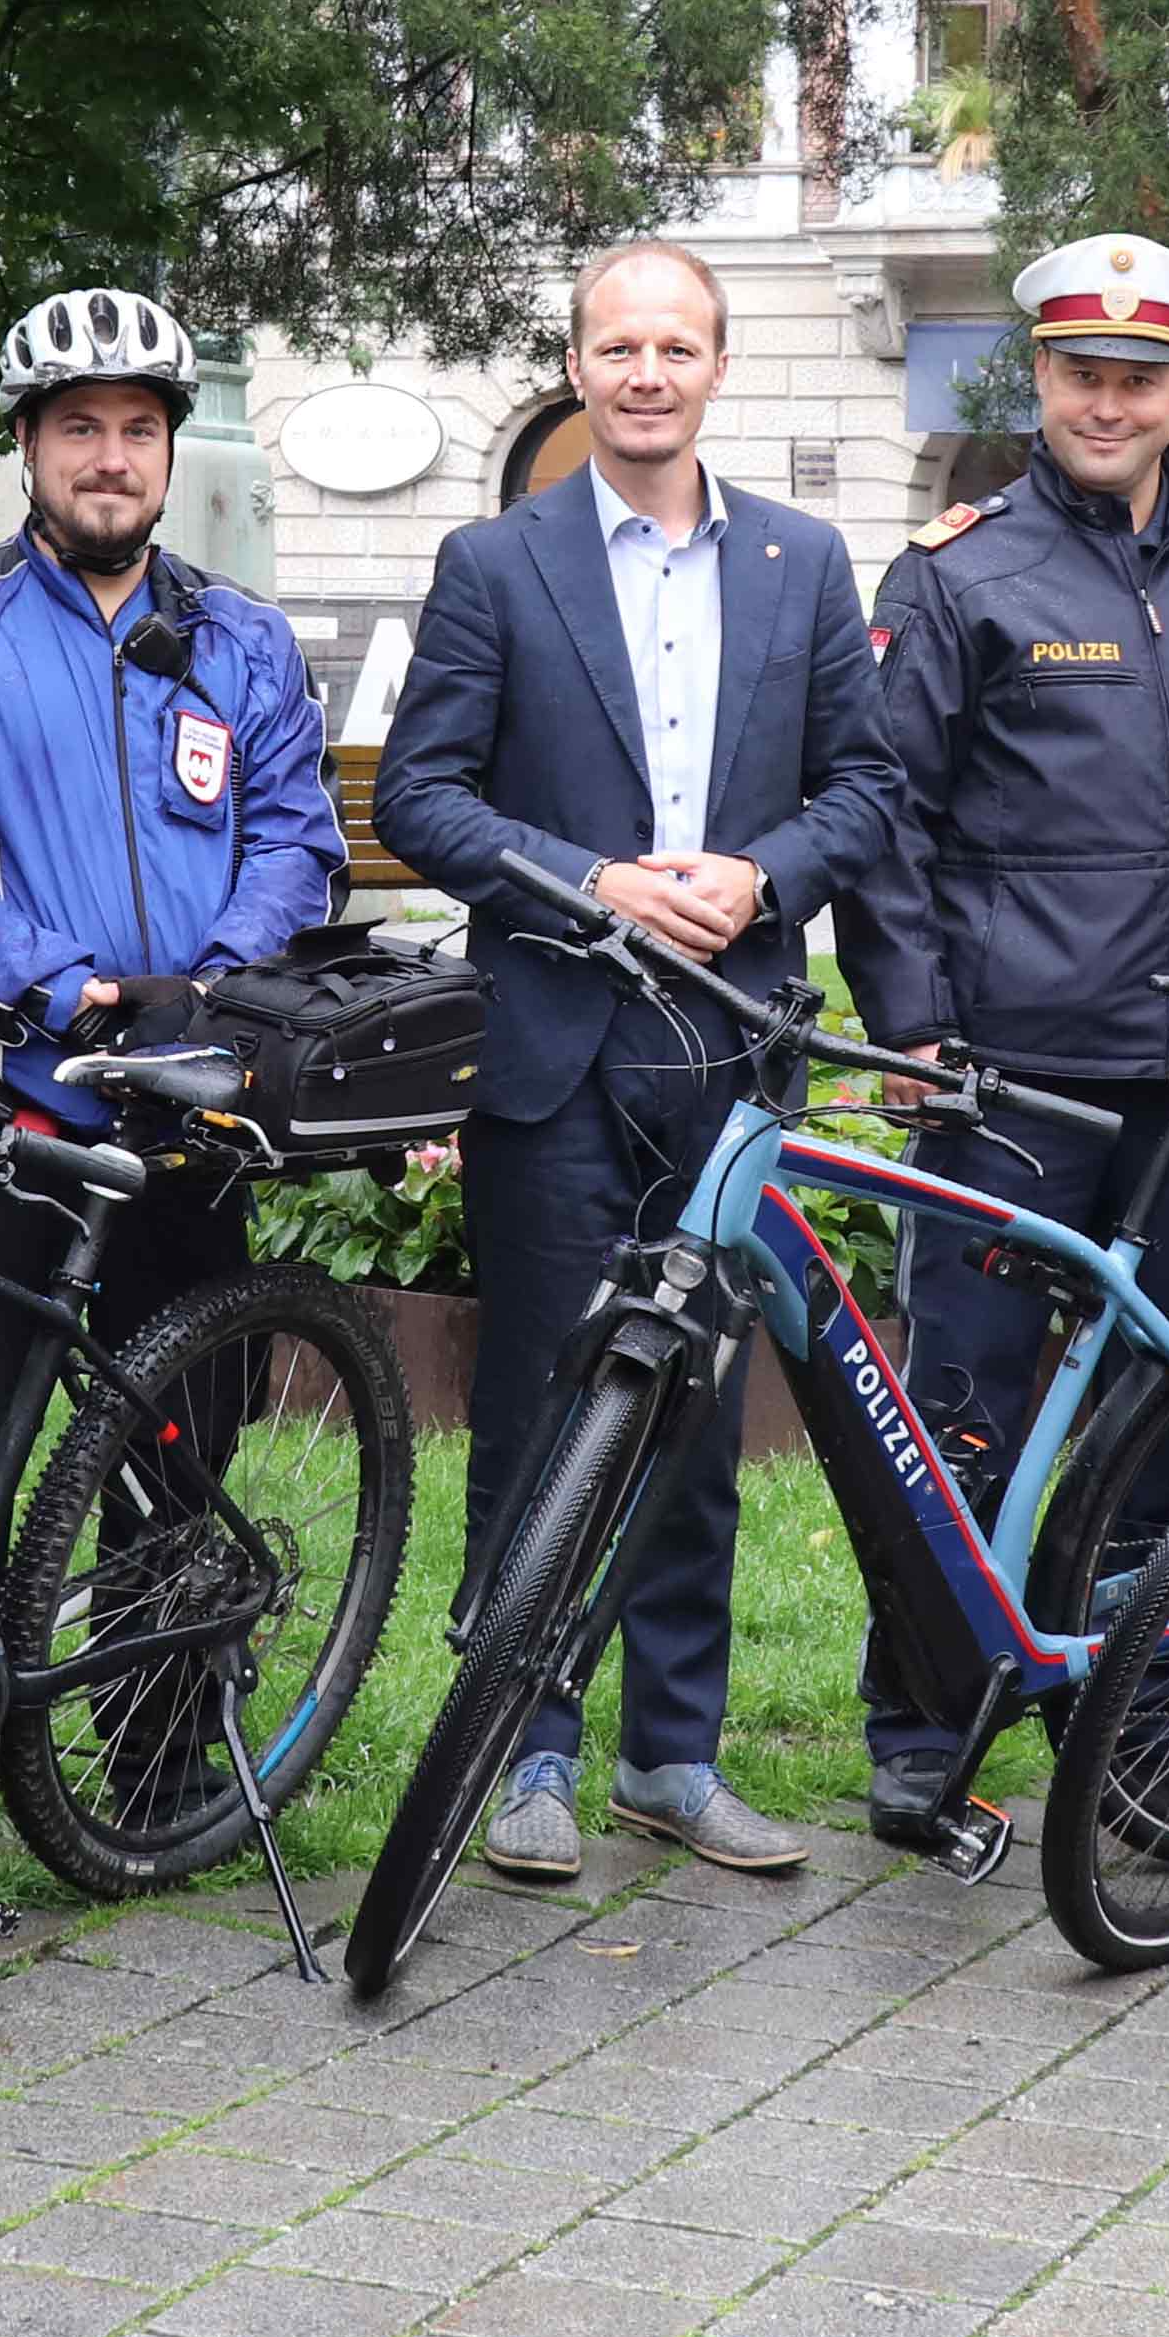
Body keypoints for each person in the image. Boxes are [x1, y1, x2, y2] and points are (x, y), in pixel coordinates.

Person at [834, 235, 1169, 1855]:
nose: (1105, 399)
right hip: (1008, 1078)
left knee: (1166, 1417)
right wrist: (916, 1025)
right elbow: (888, 824)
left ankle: (1146, 1732)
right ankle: (926, 1732)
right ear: (1041, 380)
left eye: (1138, 377)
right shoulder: (956, 575)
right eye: (1079, 371)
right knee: (964, 1412)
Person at [376, 239, 895, 1886]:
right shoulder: (494, 562)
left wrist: (764, 874)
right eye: (618, 347)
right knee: (537, 1405)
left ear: (716, 367)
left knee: (699, 1408)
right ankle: (524, 1747)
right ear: (580, 369)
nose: (647, 372)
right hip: (553, 1048)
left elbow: (866, 791)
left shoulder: (807, 563)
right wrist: (588, 877)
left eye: (676, 345)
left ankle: (674, 1752)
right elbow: (421, 799)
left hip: (730, 1054)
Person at [0, 286, 346, 1740]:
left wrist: (202, 984)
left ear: (170, 452)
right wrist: (64, 983)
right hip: (11, 1098)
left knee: (182, 1430)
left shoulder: (241, 638)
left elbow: (298, 841)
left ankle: (158, 1729)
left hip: (190, 1100)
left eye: (139, 429)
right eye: (81, 428)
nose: (111, 456)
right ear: (25, 446)